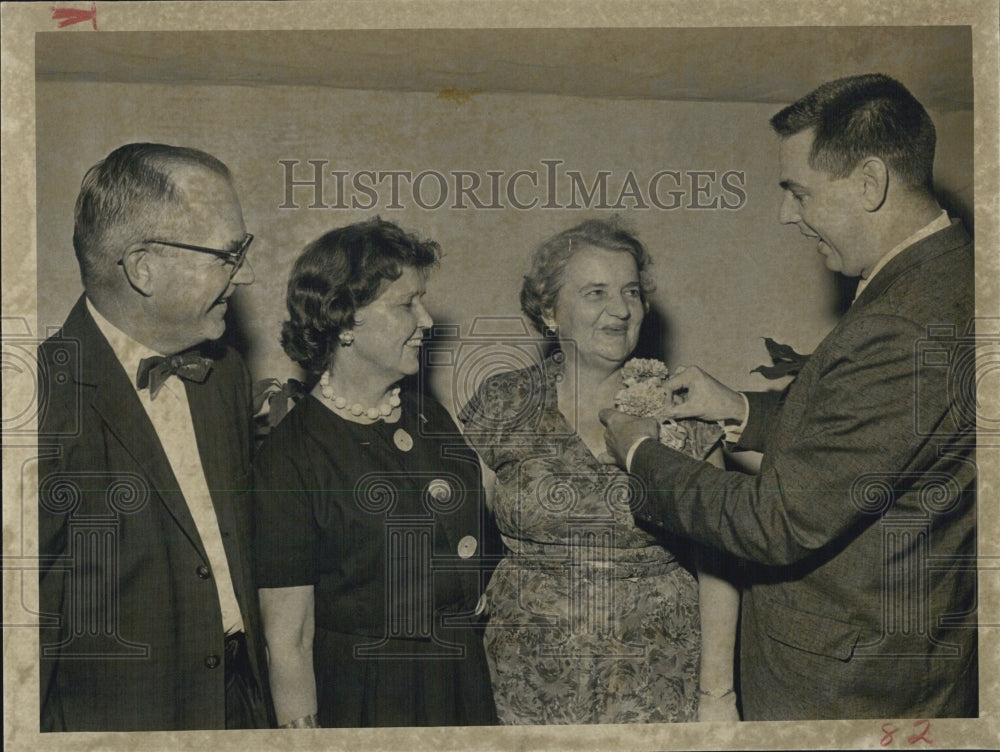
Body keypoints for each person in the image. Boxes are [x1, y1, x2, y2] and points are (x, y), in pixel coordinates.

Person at [601, 73, 977, 720]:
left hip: (844, 686)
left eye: (799, 192)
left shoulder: (900, 324)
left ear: (869, 182)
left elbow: (773, 523)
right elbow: (879, 442)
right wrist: (742, 411)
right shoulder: (952, 277)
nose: (786, 214)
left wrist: (637, 452)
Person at [458, 218, 740, 724]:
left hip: (657, 676)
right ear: (549, 311)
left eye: (631, 291)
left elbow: (719, 562)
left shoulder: (682, 407)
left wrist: (717, 695)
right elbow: (457, 533)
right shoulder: (505, 402)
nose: (620, 309)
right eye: (595, 292)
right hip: (526, 678)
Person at [37, 143, 272, 730]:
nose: (248, 274)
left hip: (240, 705)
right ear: (142, 267)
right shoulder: (34, 403)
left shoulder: (225, 375)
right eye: (228, 253)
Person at [253, 217, 498, 728]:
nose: (427, 320)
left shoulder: (427, 415)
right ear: (344, 320)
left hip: (461, 676)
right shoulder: (290, 456)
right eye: (406, 304)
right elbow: (289, 640)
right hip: (369, 692)